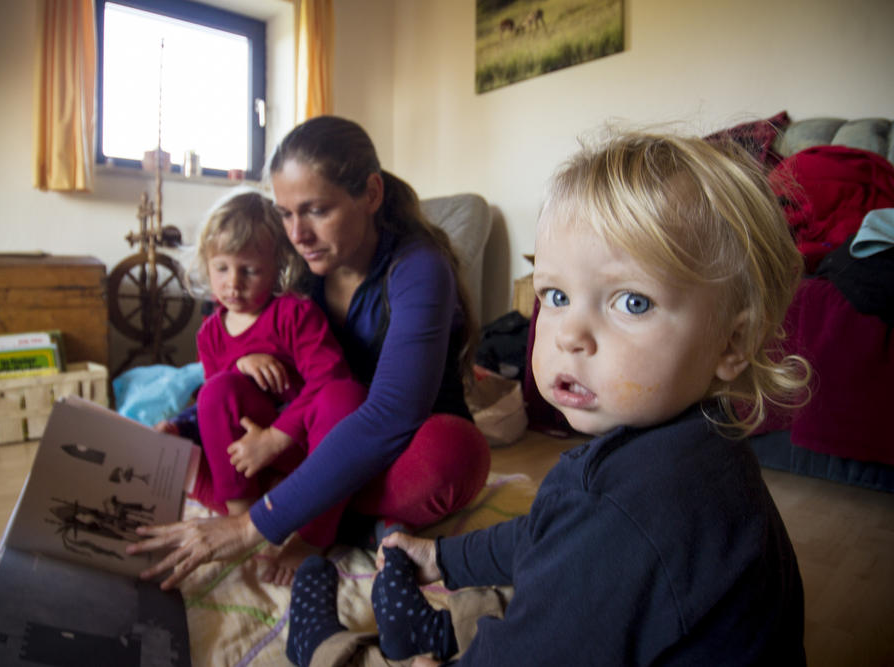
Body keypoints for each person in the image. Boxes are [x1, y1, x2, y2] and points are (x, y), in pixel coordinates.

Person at [284, 132, 811, 666]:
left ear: (733, 342)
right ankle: (435, 627)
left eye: (632, 301)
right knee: (552, 582)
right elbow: (548, 532)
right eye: (555, 296)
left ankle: (331, 649)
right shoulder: (690, 445)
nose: (567, 335)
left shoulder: (628, 519)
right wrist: (442, 556)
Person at [128, 116, 491, 587]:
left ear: (372, 195)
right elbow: (247, 387)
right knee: (213, 414)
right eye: (285, 213)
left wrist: (250, 526)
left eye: (316, 210)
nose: (296, 234)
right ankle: (348, 523)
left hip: (395, 451)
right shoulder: (301, 273)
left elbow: (391, 414)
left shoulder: (418, 267)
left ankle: (300, 512)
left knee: (453, 455)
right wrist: (189, 421)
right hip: (315, 441)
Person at [155, 191, 366, 573]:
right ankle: (239, 516)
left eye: (249, 270)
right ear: (206, 264)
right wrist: (183, 424)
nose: (233, 283)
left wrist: (274, 439)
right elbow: (214, 409)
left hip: (305, 450)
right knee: (215, 391)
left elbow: (331, 378)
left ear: (276, 267)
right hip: (250, 461)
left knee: (345, 397)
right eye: (222, 268)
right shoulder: (210, 334)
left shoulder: (294, 314)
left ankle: (315, 534)